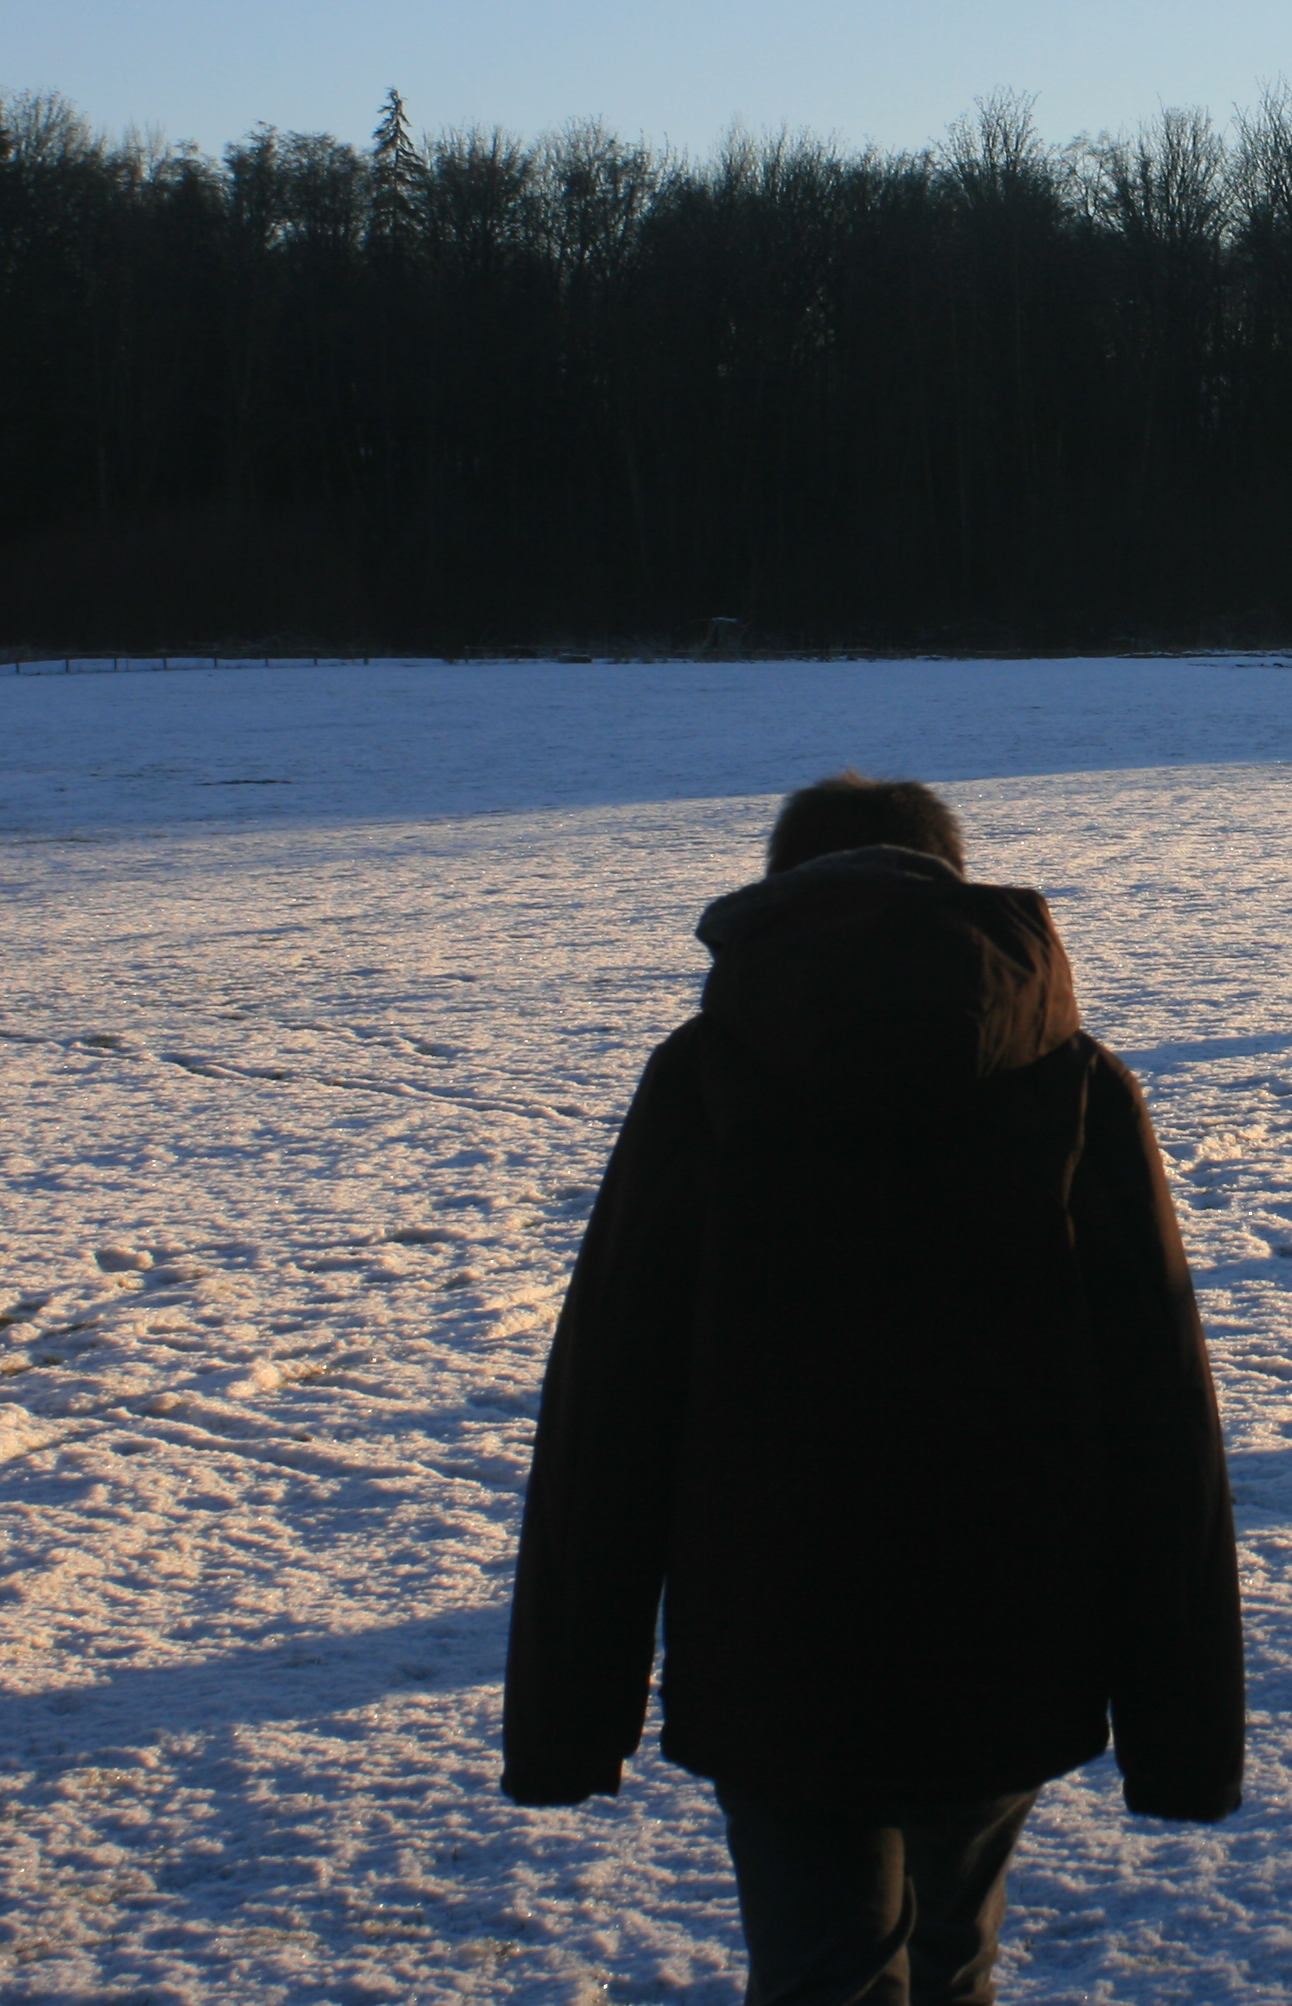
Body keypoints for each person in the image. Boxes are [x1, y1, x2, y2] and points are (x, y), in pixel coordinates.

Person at [502, 770, 1242, 2005]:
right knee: (952, 1960)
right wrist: (1183, 1730)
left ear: (781, 894)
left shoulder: (705, 1081)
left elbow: (611, 1399)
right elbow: (1161, 1406)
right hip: (1010, 1633)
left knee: (818, 1974)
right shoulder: (1072, 1083)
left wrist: (572, 1709)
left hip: (776, 1639)